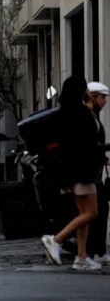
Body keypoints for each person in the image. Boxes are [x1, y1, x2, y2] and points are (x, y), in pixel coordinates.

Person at [41, 76, 103, 271]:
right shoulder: (83, 114)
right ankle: (56, 239)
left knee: (83, 214)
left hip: (68, 171)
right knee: (92, 213)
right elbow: (88, 145)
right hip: (82, 171)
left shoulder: (62, 114)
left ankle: (82, 257)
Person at [85, 82, 110, 265]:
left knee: (99, 211)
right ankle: (91, 252)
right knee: (95, 213)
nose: (105, 102)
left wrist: (103, 159)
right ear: (93, 97)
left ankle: (96, 251)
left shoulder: (94, 117)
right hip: (89, 175)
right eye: (102, 98)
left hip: (94, 173)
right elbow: (90, 146)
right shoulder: (89, 118)